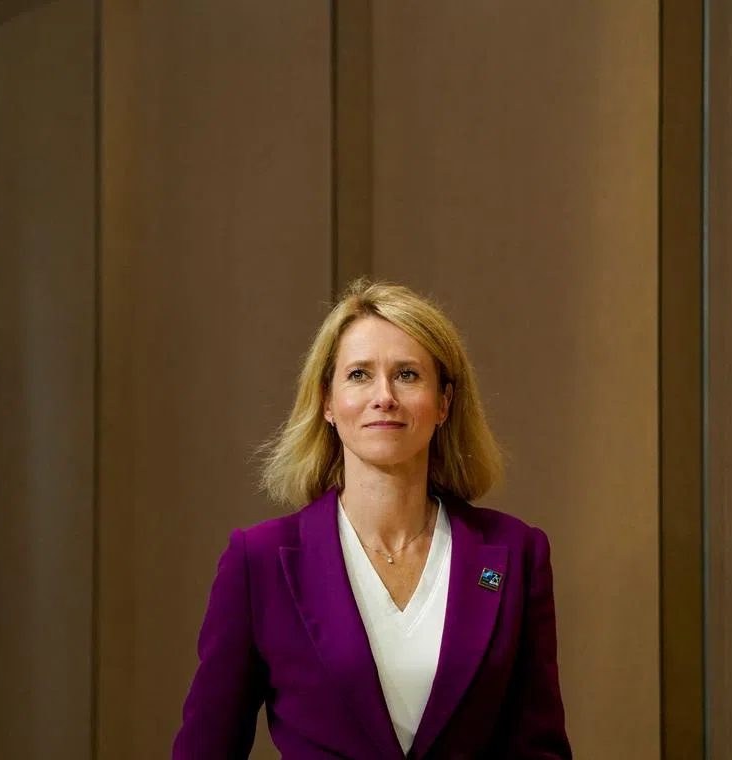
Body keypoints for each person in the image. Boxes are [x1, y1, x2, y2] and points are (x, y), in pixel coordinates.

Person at [172, 278, 572, 759]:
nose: (384, 396)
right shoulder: (258, 562)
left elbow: (538, 749)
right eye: (359, 375)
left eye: (407, 375)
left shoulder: (517, 553)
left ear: (444, 402)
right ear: (327, 402)